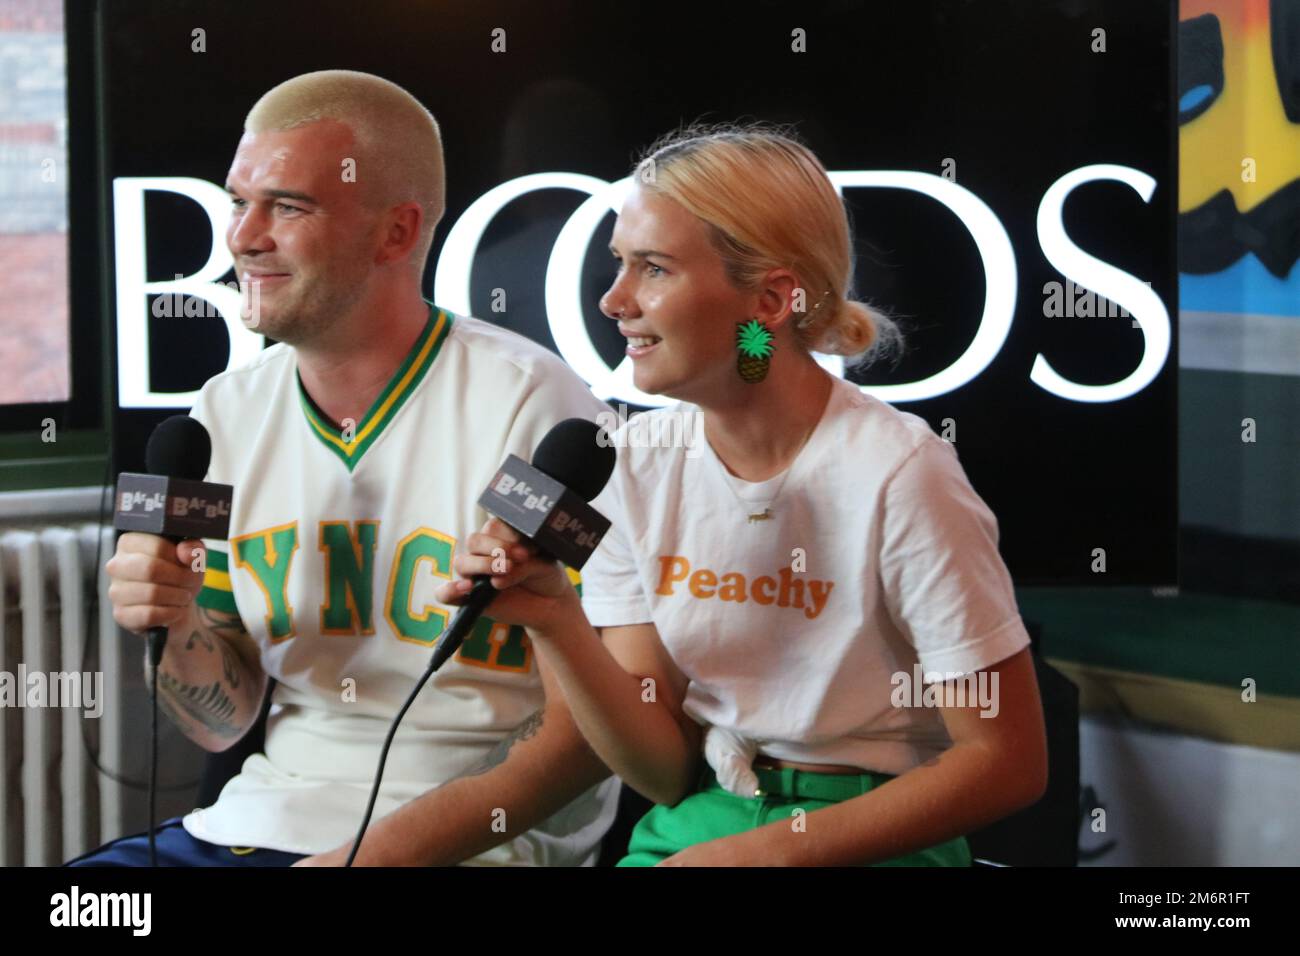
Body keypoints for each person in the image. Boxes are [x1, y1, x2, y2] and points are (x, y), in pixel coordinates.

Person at [435, 123, 1049, 866]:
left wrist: (769, 855)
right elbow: (662, 772)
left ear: (771, 301)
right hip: (702, 817)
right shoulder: (631, 464)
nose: (612, 300)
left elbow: (1008, 763)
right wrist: (556, 620)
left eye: (653, 269)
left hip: (870, 833)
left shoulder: (901, 472)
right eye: (620, 265)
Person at [68, 70, 619, 867]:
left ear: (396, 234)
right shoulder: (221, 415)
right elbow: (223, 722)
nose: (242, 237)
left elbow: (588, 741)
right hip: (259, 828)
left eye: (288, 206)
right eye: (237, 202)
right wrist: (174, 625)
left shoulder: (537, 407)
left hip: (477, 843)